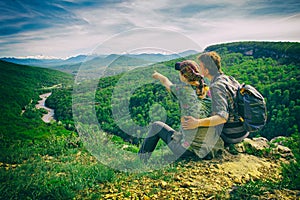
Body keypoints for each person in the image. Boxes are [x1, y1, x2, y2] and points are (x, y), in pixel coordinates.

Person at [138, 60, 224, 163]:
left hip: (191, 152)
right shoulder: (208, 91)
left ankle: (140, 160)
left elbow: (167, 83)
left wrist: (158, 76)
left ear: (183, 76)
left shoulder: (183, 91)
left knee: (156, 126)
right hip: (210, 149)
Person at [182, 51, 249, 145]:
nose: (198, 69)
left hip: (231, 135)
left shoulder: (216, 86)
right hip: (243, 130)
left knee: (199, 115)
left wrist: (197, 122)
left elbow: (222, 118)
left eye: (200, 66)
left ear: (206, 70)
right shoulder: (229, 78)